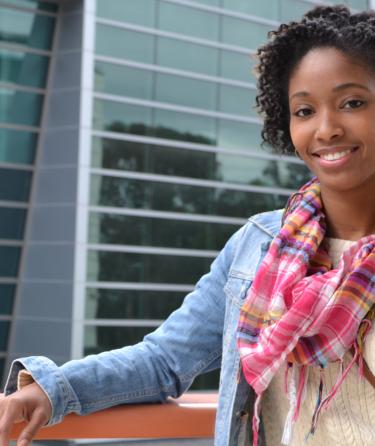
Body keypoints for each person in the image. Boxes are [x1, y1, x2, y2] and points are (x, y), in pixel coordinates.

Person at [1, 4, 375, 446]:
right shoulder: (258, 247)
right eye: (304, 111)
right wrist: (57, 386)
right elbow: (164, 359)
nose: (326, 129)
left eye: (352, 103)